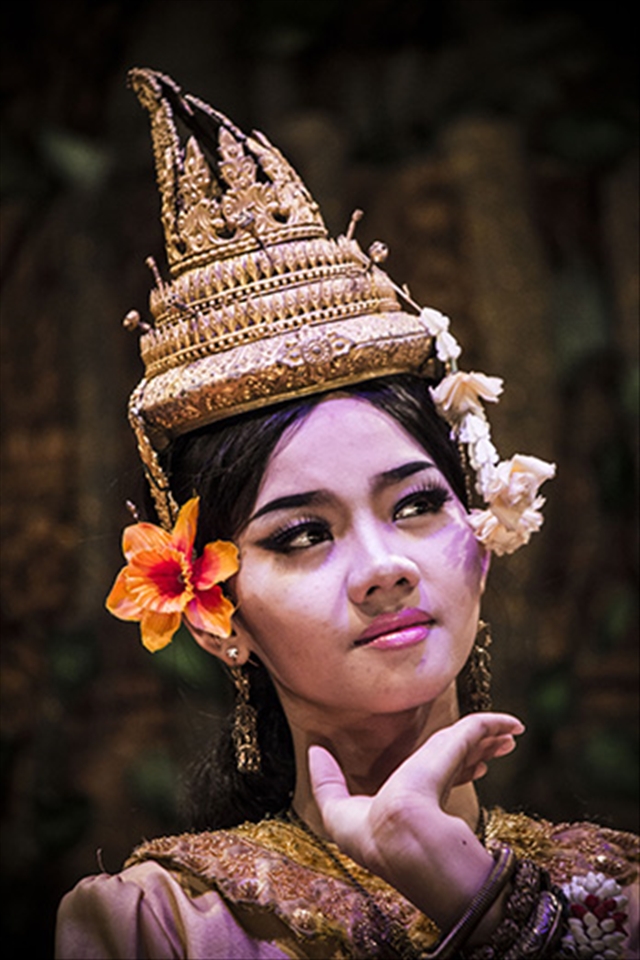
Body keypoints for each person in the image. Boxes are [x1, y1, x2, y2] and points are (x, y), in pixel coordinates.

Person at [55, 69, 638, 960]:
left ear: (484, 526)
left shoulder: (618, 899)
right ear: (218, 620)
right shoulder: (157, 928)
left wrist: (481, 901)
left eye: (416, 504)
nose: (383, 565)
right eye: (301, 534)